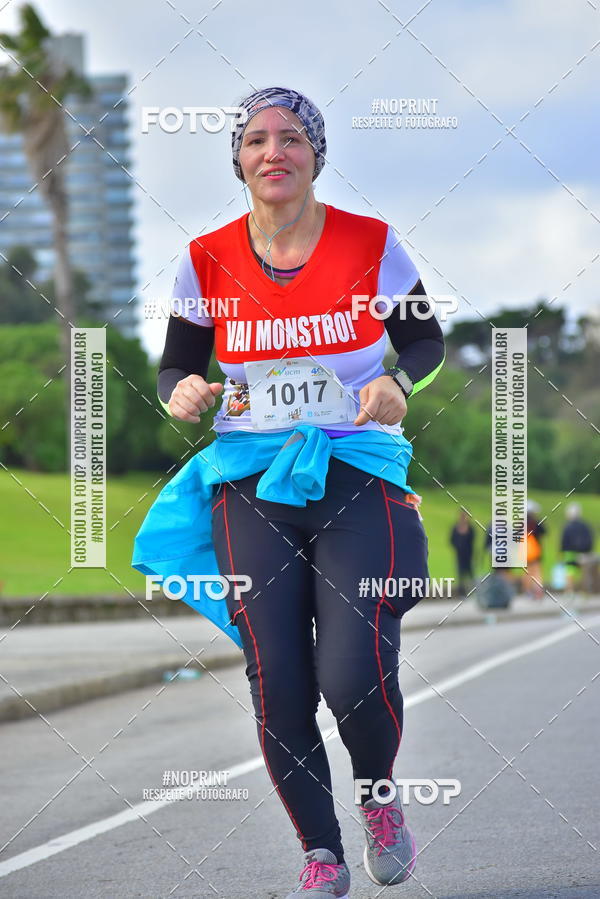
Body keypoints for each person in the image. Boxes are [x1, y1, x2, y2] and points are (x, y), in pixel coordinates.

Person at [133, 86, 445, 897]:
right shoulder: (206, 257)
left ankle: (378, 797)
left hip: (356, 469)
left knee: (352, 671)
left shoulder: (370, 242)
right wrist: (181, 391)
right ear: (237, 159)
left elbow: (422, 338)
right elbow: (177, 363)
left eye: (292, 137)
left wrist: (398, 383)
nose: (274, 151)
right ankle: (321, 853)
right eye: (257, 139)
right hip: (251, 481)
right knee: (279, 677)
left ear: (316, 155)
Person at [560, 503, 594, 594]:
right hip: (583, 551)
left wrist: (561, 551)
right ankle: (584, 591)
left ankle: (569, 590)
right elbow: (590, 538)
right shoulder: (585, 525)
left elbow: (564, 540)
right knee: (584, 572)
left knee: (570, 571)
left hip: (570, 552)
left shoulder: (567, 526)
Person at [524, 500, 546, 600]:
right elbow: (544, 531)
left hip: (525, 552)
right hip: (536, 551)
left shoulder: (521, 523)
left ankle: (528, 591)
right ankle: (538, 591)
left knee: (527, 572)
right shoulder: (536, 522)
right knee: (537, 572)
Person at [450, 511, 474, 596]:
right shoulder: (456, 527)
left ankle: (474, 591)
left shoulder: (470, 528)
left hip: (468, 554)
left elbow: (472, 540)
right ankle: (461, 592)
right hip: (459, 554)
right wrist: (457, 546)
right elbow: (452, 539)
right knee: (460, 574)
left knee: (471, 573)